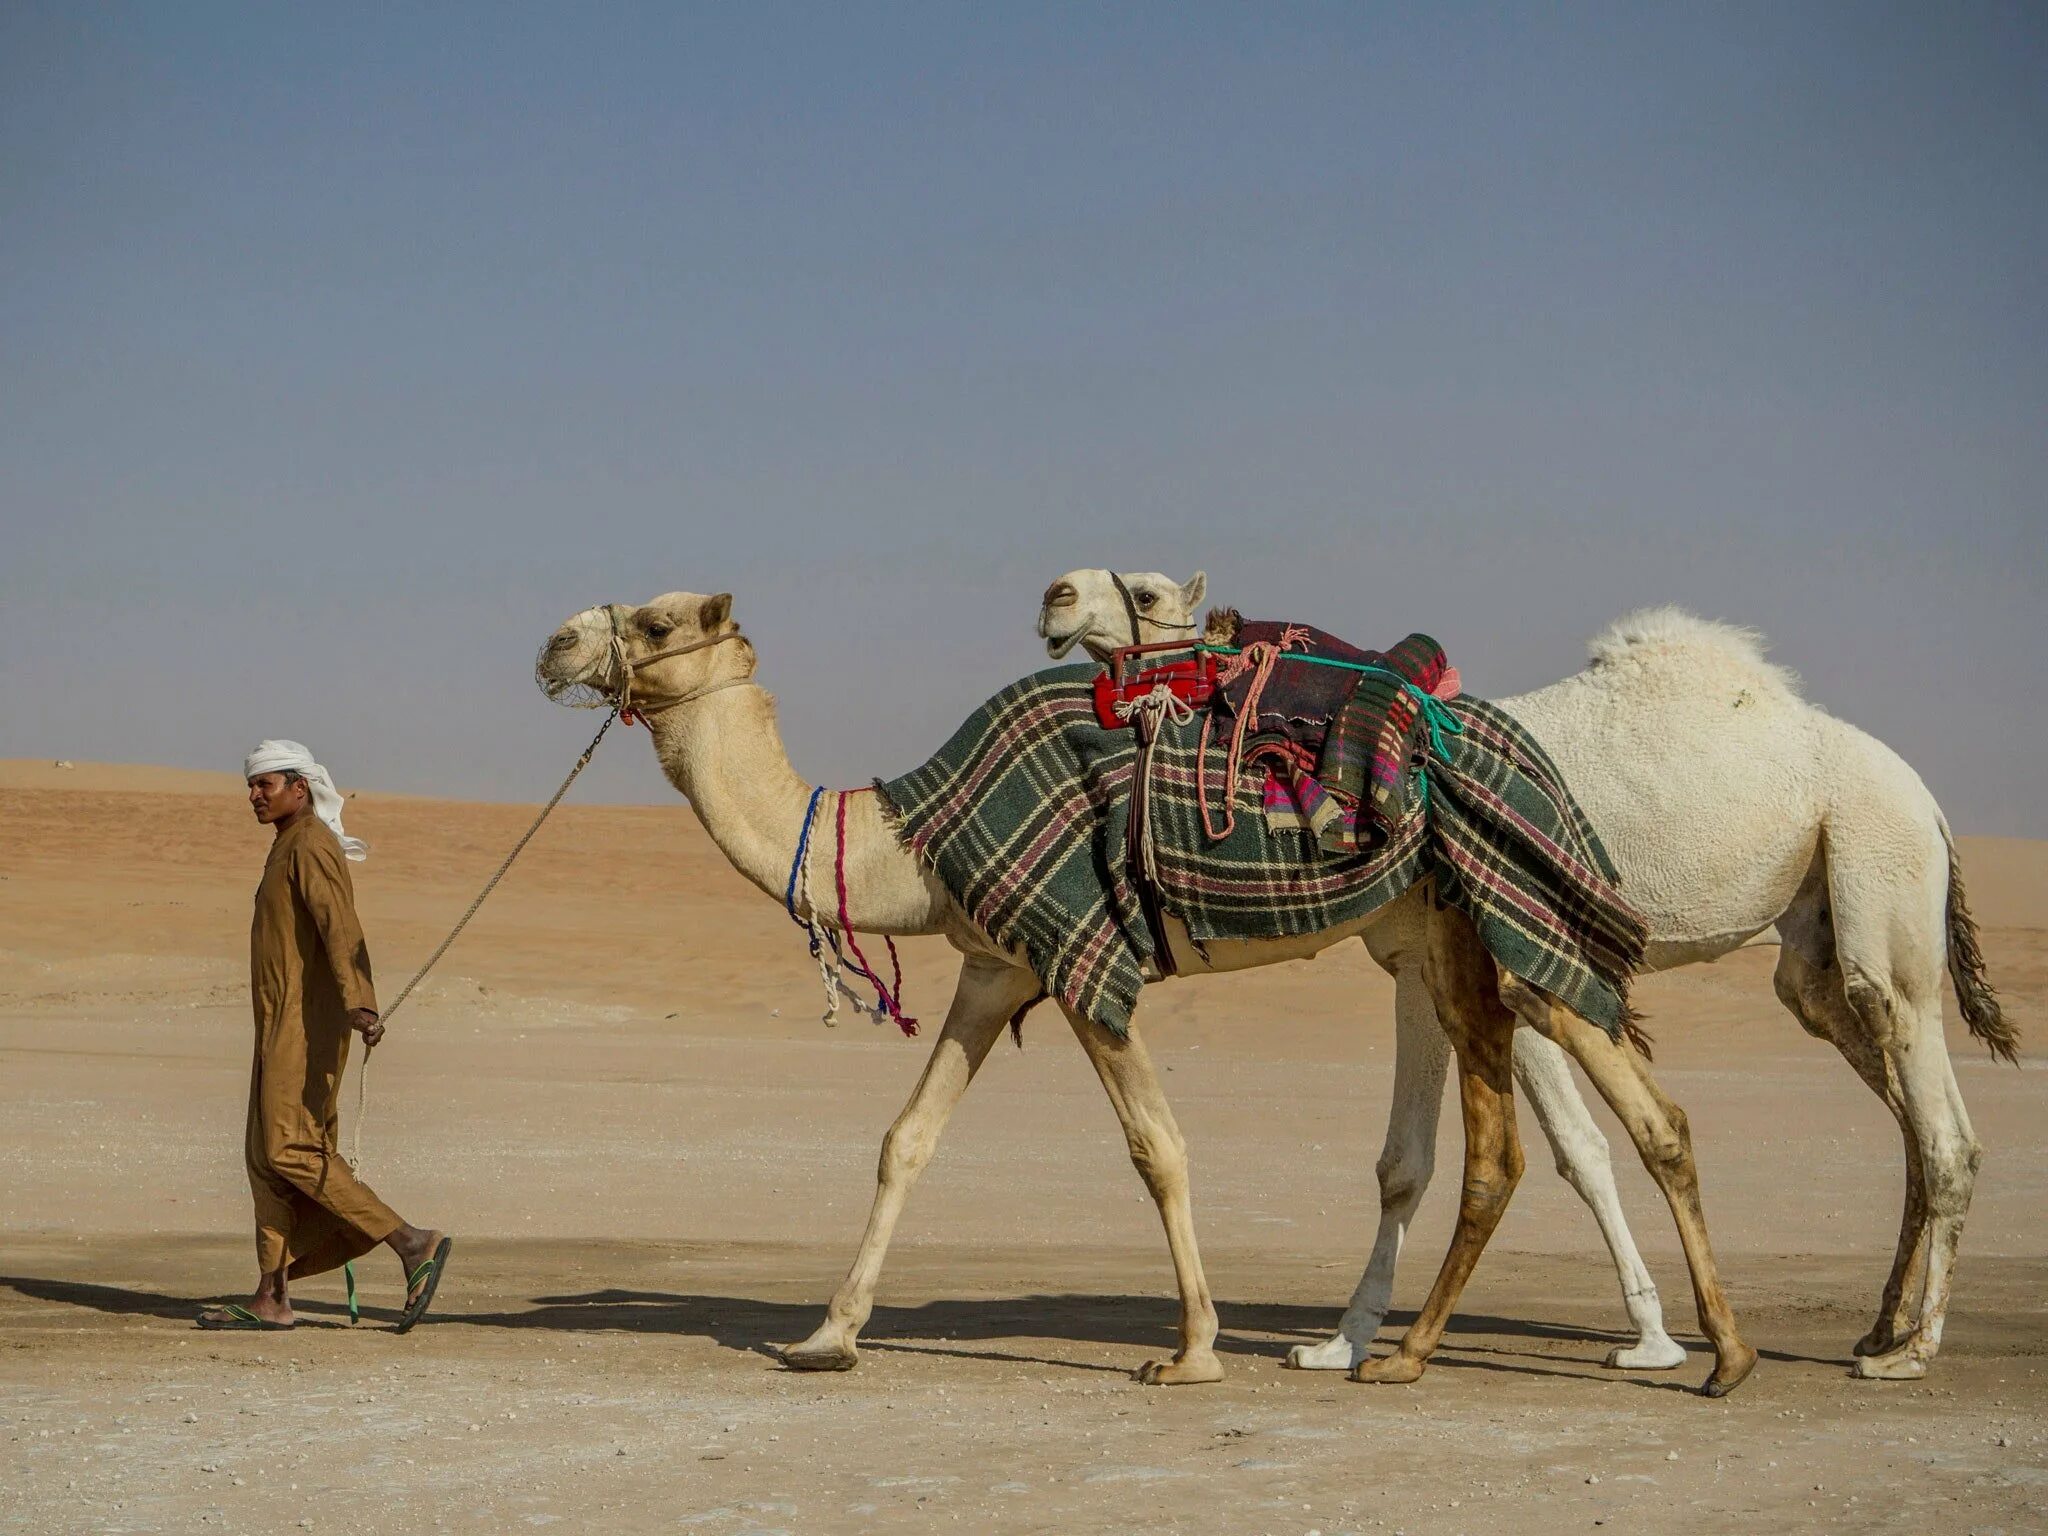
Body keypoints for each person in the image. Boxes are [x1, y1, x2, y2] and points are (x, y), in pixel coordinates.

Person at [197, 741, 451, 1331]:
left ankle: (412, 1242)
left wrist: (360, 1001)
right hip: (277, 1024)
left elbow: (340, 923)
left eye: (266, 784)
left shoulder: (311, 843)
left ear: (300, 787)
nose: (255, 796)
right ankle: (273, 1296)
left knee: (291, 1148)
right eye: (251, 786)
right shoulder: (287, 845)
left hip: (306, 1026)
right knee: (266, 1158)